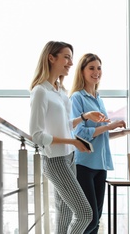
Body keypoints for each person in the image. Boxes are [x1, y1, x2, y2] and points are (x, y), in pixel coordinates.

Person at [29, 42, 110, 234]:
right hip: (55, 160)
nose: (70, 63)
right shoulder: (40, 91)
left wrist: (84, 117)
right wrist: (72, 141)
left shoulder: (59, 91)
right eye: (66, 57)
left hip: (69, 158)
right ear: (51, 58)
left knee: (64, 217)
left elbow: (65, 126)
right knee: (85, 214)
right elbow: (37, 135)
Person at [69, 53, 130, 234]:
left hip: (101, 165)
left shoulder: (98, 99)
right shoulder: (77, 98)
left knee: (96, 219)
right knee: (89, 219)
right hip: (84, 164)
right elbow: (80, 133)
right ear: (82, 71)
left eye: (99, 68)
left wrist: (123, 131)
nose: (96, 72)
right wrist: (109, 126)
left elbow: (100, 135)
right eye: (91, 68)